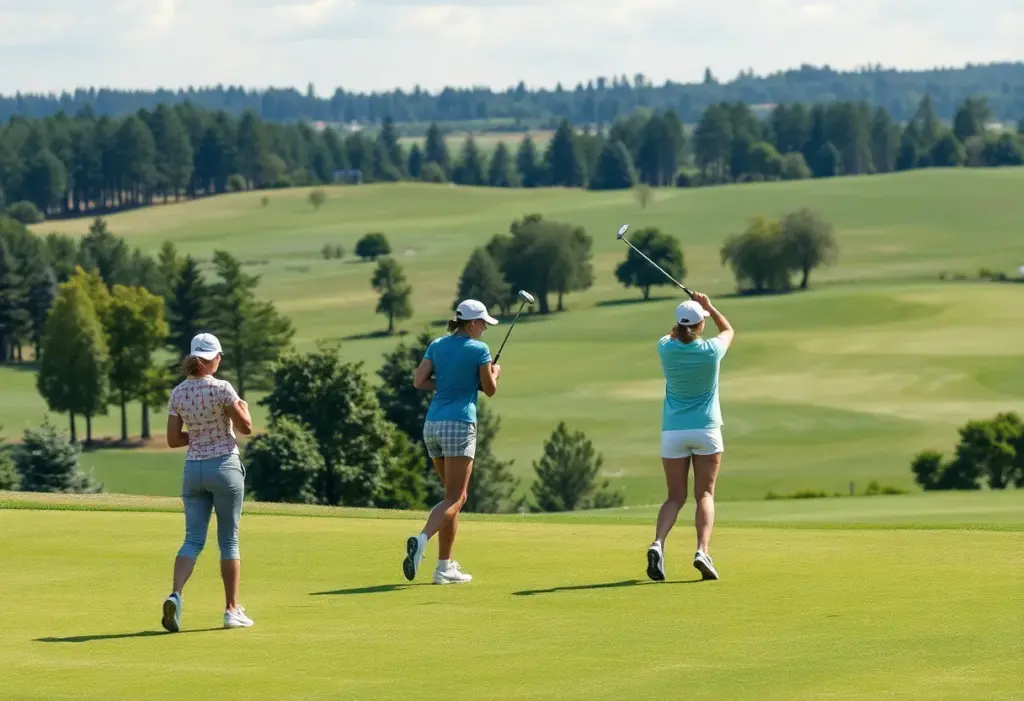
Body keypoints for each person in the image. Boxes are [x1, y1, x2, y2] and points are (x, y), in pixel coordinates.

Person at [161, 333, 255, 632]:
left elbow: (173, 439)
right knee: (229, 541)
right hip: (224, 466)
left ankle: (175, 595)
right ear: (211, 359)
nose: (220, 360)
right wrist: (244, 407)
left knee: (192, 539)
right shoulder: (222, 388)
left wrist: (199, 434)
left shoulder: (178, 393)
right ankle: (231, 610)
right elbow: (246, 428)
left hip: (194, 470)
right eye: (218, 356)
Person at [404, 299, 501, 584]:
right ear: (471, 324)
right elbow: (490, 390)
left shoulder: (437, 345)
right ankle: (421, 540)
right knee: (456, 498)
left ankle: (444, 568)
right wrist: (495, 372)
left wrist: (449, 383)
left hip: (433, 425)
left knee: (452, 498)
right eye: (482, 323)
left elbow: (419, 382)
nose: (485, 328)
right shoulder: (480, 349)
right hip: (459, 425)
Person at [646, 293, 734, 582]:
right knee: (704, 494)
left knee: (675, 497)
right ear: (700, 325)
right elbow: (728, 330)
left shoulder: (665, 348)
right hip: (706, 430)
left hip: (673, 432)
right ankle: (702, 551)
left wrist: (686, 320)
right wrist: (709, 307)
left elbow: (671, 335)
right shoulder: (711, 350)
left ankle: (658, 543)